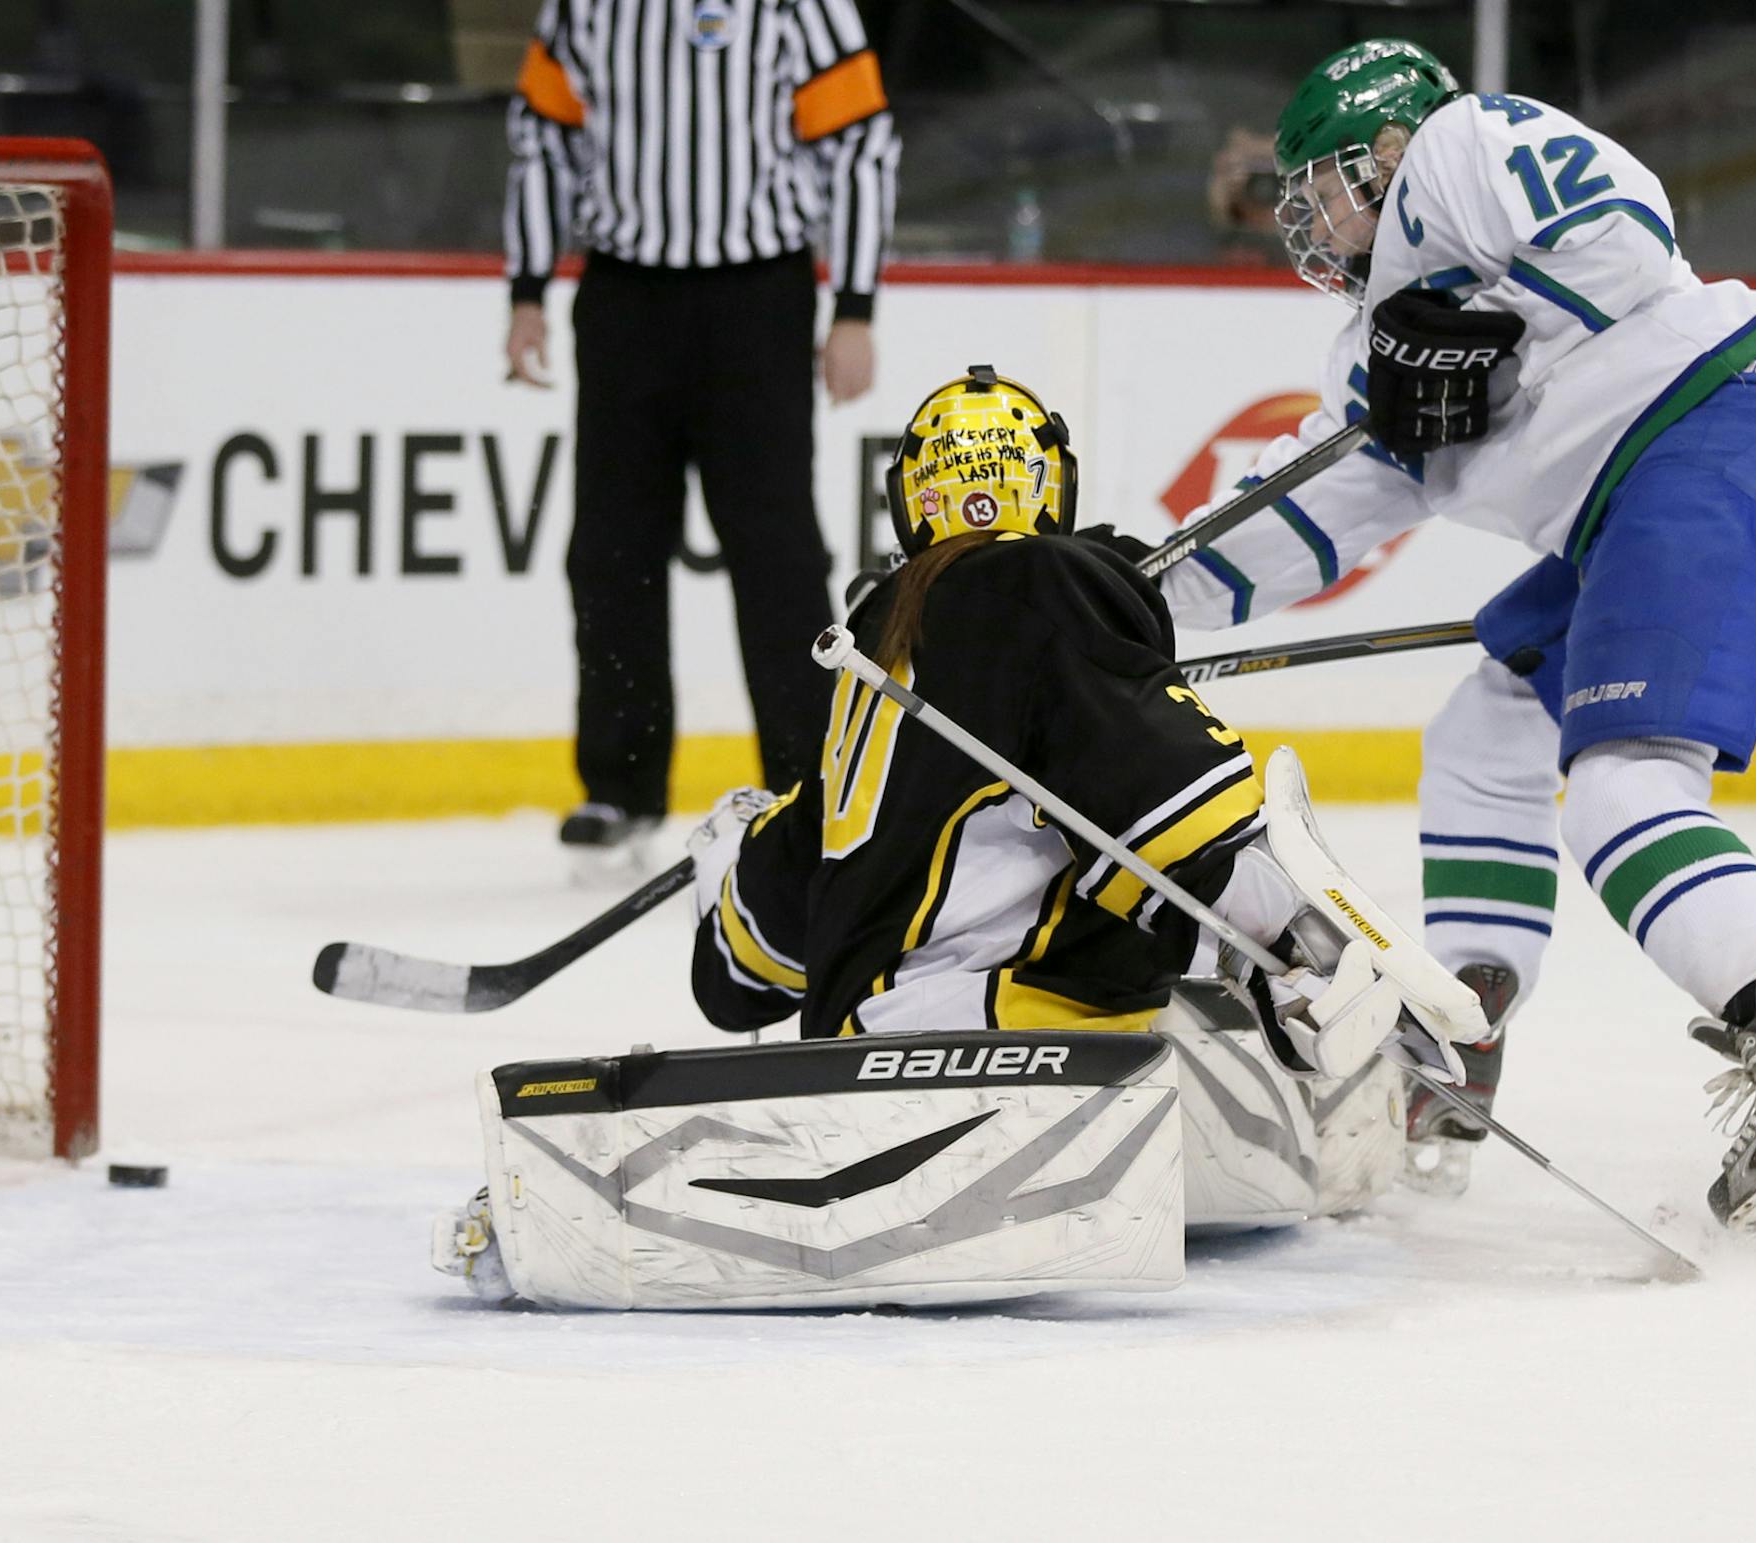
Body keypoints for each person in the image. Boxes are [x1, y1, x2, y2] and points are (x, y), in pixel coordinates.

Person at [428, 367, 1487, 1311]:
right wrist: (1313, 943)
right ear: (1050, 491)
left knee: (1119, 877)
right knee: (1162, 887)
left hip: (877, 1049)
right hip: (988, 1047)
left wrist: (728, 864)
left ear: (910, 503)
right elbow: (1175, 805)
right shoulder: (1037, 584)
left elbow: (743, 979)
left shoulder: (875, 670)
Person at [1160, 38, 1756, 1240]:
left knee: (1622, 787)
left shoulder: (1466, 152)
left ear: (1394, 151)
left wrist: (1453, 302)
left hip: (1713, 430)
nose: (1308, 228)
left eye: (1323, 193)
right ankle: (1461, 1052)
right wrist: (1130, 594)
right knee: (1486, 734)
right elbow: (1307, 513)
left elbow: (1622, 231)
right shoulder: (1388, 348)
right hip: (1653, 503)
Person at [501, 0, 901, 876]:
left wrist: (856, 306)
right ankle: (620, 784)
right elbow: (543, 134)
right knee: (609, 547)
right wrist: (527, 288)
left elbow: (862, 141)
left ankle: (807, 782)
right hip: (623, 297)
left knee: (778, 553)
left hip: (756, 298)